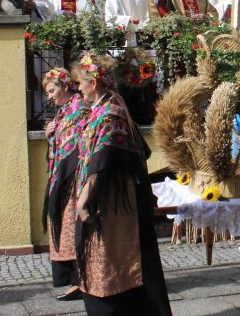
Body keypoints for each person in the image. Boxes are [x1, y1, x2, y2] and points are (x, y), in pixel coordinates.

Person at [72, 54, 171, 315]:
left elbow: (102, 157)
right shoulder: (108, 108)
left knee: (117, 263)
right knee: (109, 263)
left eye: (81, 82)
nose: (78, 87)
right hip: (112, 199)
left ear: (94, 82)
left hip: (114, 203)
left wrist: (84, 200)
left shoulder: (111, 111)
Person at [41, 68, 90, 302]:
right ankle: (73, 281)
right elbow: (61, 144)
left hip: (73, 180)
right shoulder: (64, 112)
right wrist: (50, 135)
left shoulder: (79, 109)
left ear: (65, 86)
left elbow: (80, 143)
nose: (49, 96)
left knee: (73, 227)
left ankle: (81, 281)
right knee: (64, 228)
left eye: (52, 90)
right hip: (62, 179)